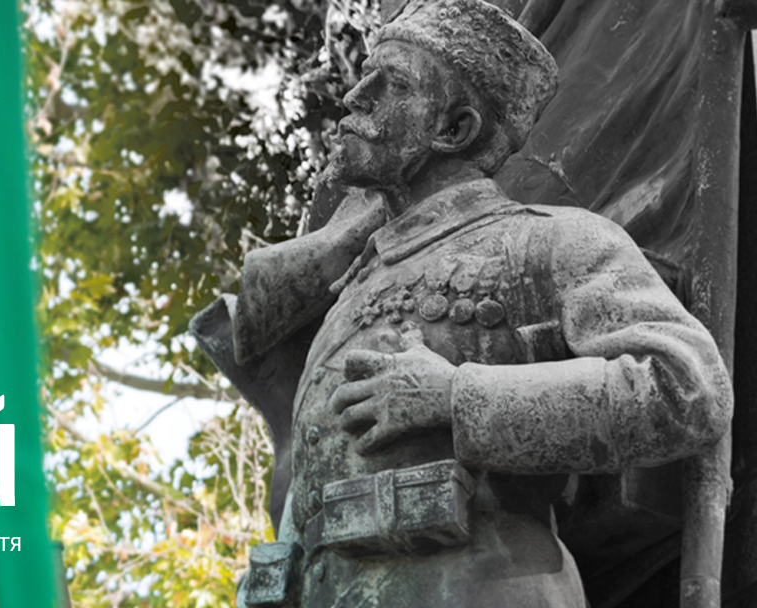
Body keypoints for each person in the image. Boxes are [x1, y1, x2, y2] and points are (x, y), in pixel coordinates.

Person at [189, 0, 734, 606]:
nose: (355, 97)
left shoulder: (548, 241)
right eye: (365, 76)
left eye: (393, 84)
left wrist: (455, 398)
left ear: (454, 129)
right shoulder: (354, 281)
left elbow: (687, 388)